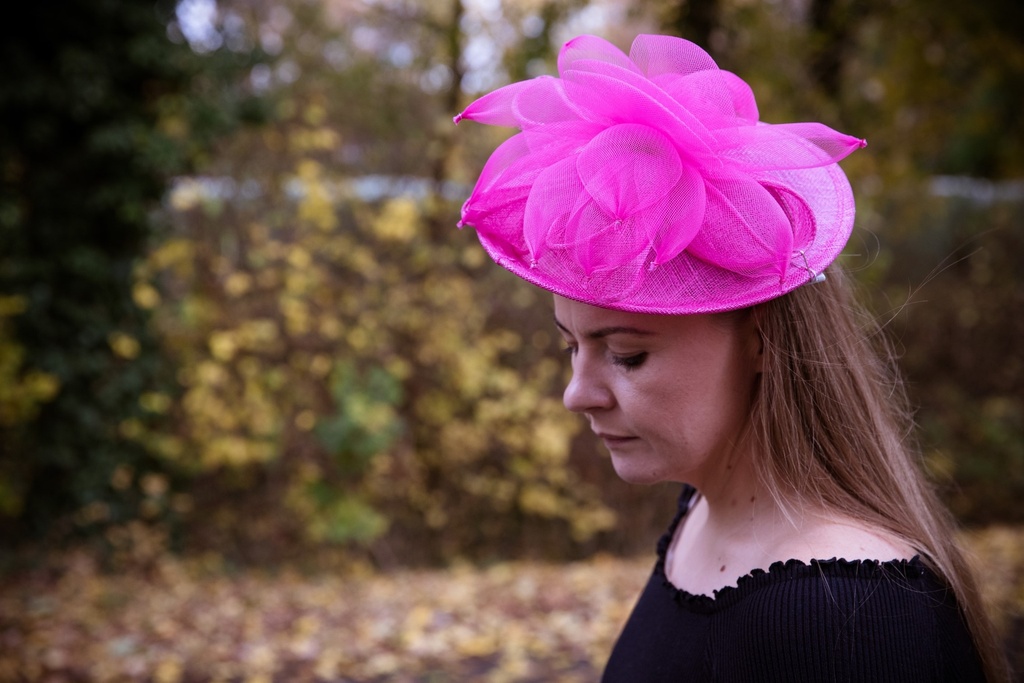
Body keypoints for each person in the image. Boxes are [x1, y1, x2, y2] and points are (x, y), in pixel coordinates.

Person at [454, 34, 1010, 682]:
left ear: (763, 341)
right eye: (570, 346)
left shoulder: (844, 615)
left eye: (627, 355)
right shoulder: (701, 516)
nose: (577, 392)